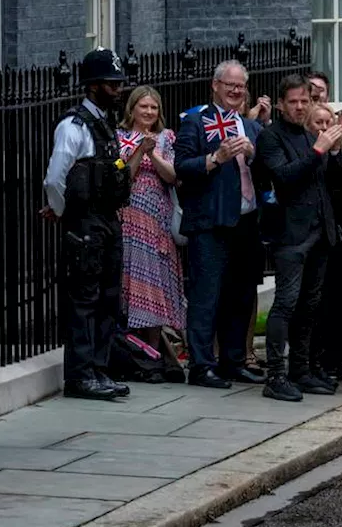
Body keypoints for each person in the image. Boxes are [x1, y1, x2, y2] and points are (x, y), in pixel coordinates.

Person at [42, 47, 148, 399]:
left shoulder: (103, 125)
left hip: (107, 220)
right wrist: (60, 210)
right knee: (84, 300)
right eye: (111, 84)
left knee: (107, 299)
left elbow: (111, 172)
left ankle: (99, 370)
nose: (118, 90)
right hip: (85, 223)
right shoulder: (73, 126)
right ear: (92, 86)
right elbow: (54, 178)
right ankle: (80, 375)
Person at [174, 59, 265, 389]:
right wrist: (216, 159)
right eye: (230, 85)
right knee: (206, 296)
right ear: (215, 86)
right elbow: (181, 167)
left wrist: (254, 154)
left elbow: (268, 171)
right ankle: (201, 365)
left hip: (245, 221)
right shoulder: (197, 122)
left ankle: (232, 361)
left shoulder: (252, 127)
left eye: (241, 85)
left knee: (240, 296)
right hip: (211, 223)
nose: (236, 91)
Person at [255, 75, 342, 401]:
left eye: (304, 101)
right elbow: (283, 178)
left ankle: (301, 370)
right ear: (280, 104)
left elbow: (332, 183)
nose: (298, 107)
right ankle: (276, 375)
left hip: (320, 231)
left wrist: (334, 153)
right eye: (292, 101)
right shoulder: (271, 137)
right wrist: (319, 150)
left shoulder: (311, 136)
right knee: (286, 304)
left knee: (310, 305)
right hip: (291, 235)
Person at [115, 86, 184, 374]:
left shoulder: (167, 138)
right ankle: (133, 351)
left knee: (155, 282)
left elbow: (173, 176)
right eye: (143, 107)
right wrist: (137, 152)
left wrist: (153, 154)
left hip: (157, 221)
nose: (149, 112)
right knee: (131, 282)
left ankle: (154, 351)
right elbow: (122, 176)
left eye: (153, 108)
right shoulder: (119, 138)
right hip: (130, 219)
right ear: (132, 109)